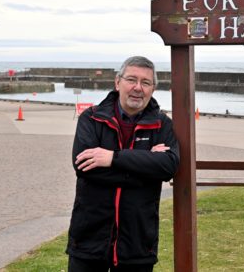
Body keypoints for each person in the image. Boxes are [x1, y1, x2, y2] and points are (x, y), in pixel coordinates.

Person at [66, 56, 180, 272]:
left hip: (137, 243)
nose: (138, 87)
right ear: (117, 82)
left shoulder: (161, 124)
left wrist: (112, 158)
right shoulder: (91, 119)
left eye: (145, 83)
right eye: (131, 80)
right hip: (89, 239)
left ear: (153, 88)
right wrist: (145, 164)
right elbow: (84, 168)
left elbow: (168, 166)